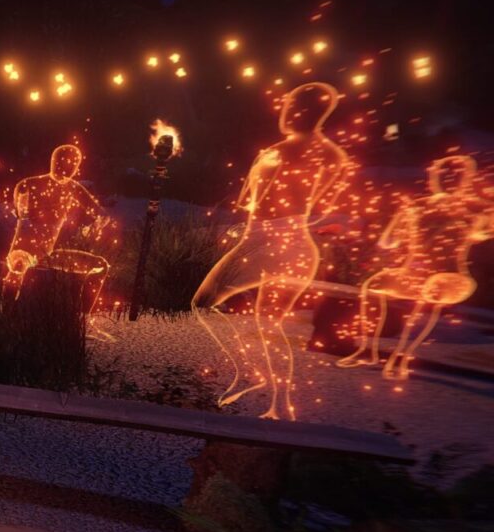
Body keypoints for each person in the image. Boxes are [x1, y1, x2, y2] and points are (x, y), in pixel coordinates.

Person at [191, 82, 351, 419]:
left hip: (275, 242)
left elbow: (253, 201)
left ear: (305, 111)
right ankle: (271, 395)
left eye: (292, 105)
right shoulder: (323, 155)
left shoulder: (288, 153)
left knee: (207, 305)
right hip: (286, 243)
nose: (286, 111)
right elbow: (317, 208)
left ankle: (265, 390)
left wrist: (283, 207)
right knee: (263, 323)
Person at [336, 154, 492, 380]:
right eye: (443, 174)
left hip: (451, 277)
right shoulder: (417, 206)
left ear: (466, 179)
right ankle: (367, 350)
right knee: (374, 284)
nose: (449, 179)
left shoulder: (472, 211)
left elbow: (483, 234)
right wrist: (399, 218)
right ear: (433, 176)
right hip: (414, 273)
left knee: (431, 290)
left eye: (456, 175)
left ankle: (400, 359)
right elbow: (388, 242)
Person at [4, 143, 110, 293]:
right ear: (54, 162)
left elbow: (100, 213)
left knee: (100, 265)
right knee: (19, 266)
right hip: (23, 253)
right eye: (63, 163)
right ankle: (5, 307)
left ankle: (80, 308)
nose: (68, 169)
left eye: (73, 165)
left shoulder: (73, 188)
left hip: (47, 255)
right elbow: (21, 215)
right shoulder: (29, 184)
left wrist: (95, 226)